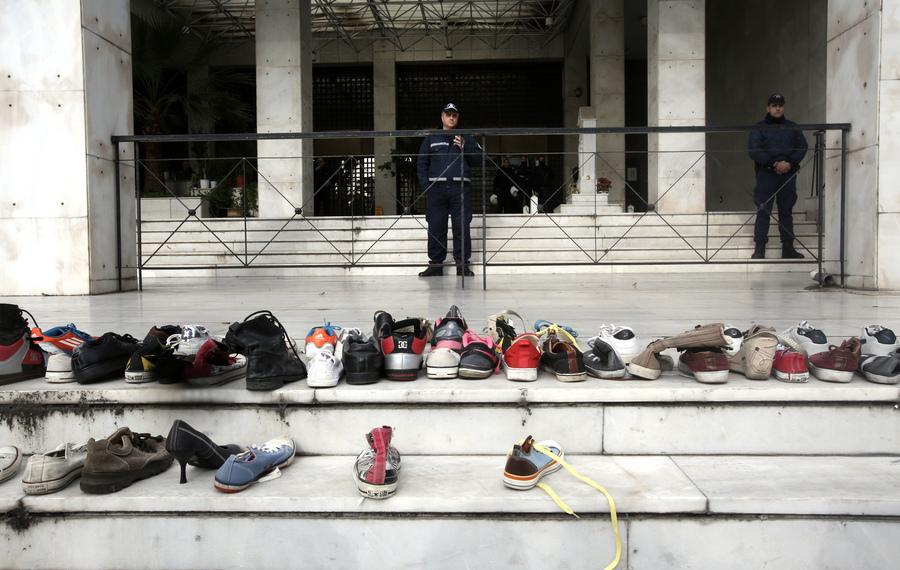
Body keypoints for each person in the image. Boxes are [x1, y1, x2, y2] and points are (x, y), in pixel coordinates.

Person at [417, 103, 484, 277]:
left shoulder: (466, 138)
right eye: (448, 115)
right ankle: (436, 266)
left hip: (459, 190)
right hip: (437, 191)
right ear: (442, 117)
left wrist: (465, 147)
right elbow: (422, 163)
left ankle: (462, 266)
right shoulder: (431, 139)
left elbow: (480, 159)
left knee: (462, 227)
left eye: (454, 115)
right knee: (436, 227)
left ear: (457, 118)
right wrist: (427, 186)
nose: (451, 118)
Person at [748, 93, 808, 259]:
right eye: (774, 105)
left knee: (786, 210)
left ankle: (788, 247)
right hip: (766, 174)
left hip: (787, 174)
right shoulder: (759, 127)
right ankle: (760, 247)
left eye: (780, 105)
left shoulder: (792, 126)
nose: (778, 108)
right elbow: (754, 150)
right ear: (768, 108)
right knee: (763, 209)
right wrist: (774, 164)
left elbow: (802, 147)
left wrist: (789, 163)